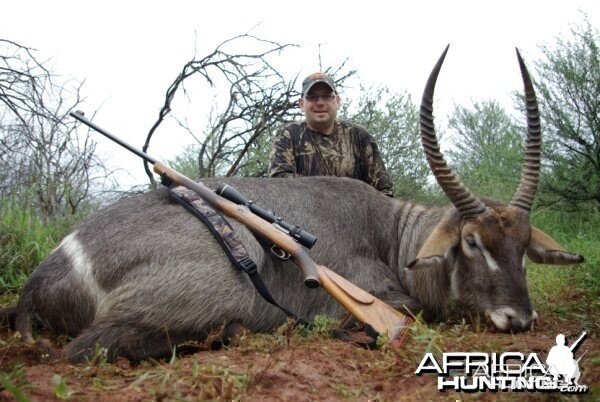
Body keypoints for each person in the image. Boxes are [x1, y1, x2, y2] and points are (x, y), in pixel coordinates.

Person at [268, 72, 394, 197]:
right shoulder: (288, 135)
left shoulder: (359, 136)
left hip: (355, 214)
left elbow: (383, 191)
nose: (320, 102)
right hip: (303, 213)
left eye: (327, 96)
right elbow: (280, 186)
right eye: (312, 97)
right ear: (301, 104)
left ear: (337, 101)